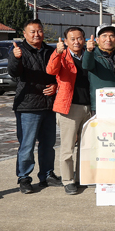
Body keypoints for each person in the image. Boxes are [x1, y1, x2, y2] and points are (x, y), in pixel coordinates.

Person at [7, 19, 59, 194]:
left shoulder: (50, 51)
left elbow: (58, 74)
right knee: (27, 145)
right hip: (28, 106)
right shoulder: (18, 51)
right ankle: (24, 178)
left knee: (48, 144)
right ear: (24, 34)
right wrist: (16, 58)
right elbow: (14, 73)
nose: (37, 34)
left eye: (39, 31)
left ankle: (47, 175)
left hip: (49, 105)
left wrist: (56, 86)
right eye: (32, 32)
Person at [46, 27, 92, 195]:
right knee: (68, 147)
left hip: (89, 106)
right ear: (65, 41)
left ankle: (81, 177)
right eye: (72, 39)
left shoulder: (88, 55)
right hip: (69, 107)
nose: (76, 42)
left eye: (79, 38)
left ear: (84, 39)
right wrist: (57, 53)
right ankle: (68, 180)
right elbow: (50, 70)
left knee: (86, 146)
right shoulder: (62, 55)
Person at [82, 24, 115, 112]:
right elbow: (86, 66)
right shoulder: (93, 55)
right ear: (97, 40)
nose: (108, 39)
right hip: (102, 103)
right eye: (104, 36)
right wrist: (89, 51)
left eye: (111, 36)